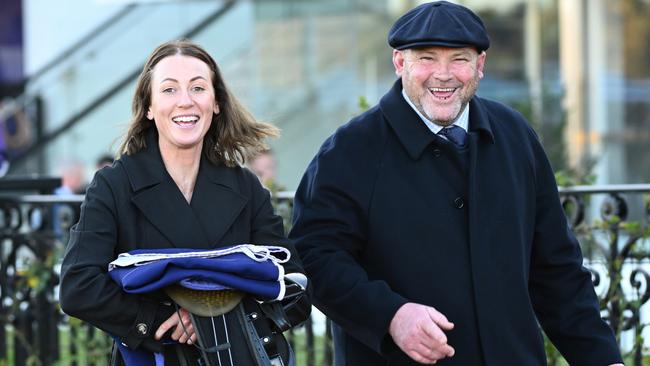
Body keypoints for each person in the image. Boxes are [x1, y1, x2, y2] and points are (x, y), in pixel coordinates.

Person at [289, 2, 622, 365]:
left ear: (480, 66)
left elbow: (556, 269)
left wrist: (603, 358)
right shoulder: (349, 150)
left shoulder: (516, 135)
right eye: (427, 59)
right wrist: (391, 316)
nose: (443, 75)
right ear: (400, 64)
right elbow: (314, 258)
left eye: (459, 59)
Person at [59, 39, 309, 366]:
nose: (185, 102)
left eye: (198, 88)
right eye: (169, 90)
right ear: (148, 106)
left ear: (216, 102)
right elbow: (79, 286)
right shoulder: (115, 185)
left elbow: (294, 284)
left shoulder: (245, 186)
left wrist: (213, 317)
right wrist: (160, 319)